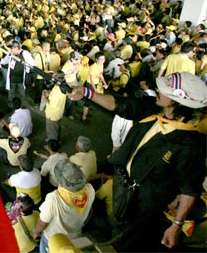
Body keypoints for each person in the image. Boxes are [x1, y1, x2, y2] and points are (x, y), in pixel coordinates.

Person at [67, 72, 207, 251]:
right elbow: (120, 105)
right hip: (123, 185)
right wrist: (87, 94)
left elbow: (190, 189)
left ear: (177, 101)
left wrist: (176, 226)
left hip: (144, 205)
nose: (157, 90)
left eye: (164, 90)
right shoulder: (153, 108)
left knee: (130, 239)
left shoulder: (190, 144)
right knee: (117, 220)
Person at [33, 160, 95, 253]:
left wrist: (36, 232)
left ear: (60, 181)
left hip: (53, 238)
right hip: (75, 235)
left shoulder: (53, 199)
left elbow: (42, 223)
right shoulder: (90, 190)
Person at [0, 40, 35, 108]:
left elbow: (32, 64)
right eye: (11, 48)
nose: (11, 50)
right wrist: (7, 56)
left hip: (21, 80)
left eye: (13, 48)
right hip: (12, 79)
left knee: (22, 94)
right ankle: (10, 106)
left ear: (17, 48)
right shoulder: (11, 53)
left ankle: (21, 106)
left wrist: (27, 65)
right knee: (10, 94)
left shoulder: (25, 54)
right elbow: (4, 61)